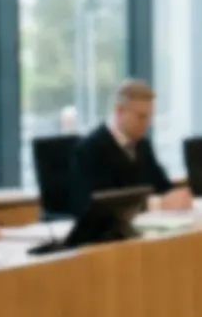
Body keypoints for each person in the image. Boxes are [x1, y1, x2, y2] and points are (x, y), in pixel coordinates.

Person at [70, 79, 192, 216]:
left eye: (149, 117)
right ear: (119, 111)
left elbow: (162, 186)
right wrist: (157, 204)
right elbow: (101, 204)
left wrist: (176, 196)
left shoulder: (143, 145)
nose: (147, 123)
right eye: (141, 117)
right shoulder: (90, 150)